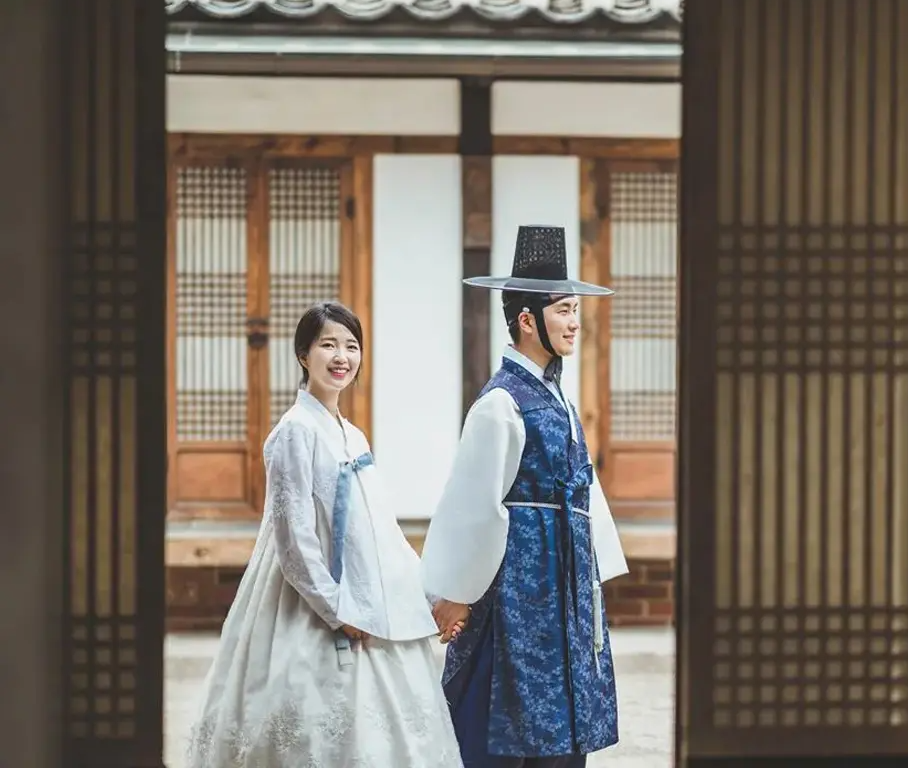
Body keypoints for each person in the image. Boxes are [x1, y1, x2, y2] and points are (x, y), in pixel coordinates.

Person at [185, 301, 463, 768]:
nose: (342, 357)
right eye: (328, 345)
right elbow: (293, 537)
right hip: (311, 598)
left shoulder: (353, 435)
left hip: (363, 588)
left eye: (351, 347)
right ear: (303, 355)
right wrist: (337, 610)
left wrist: (425, 592)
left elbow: (379, 527)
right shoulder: (295, 431)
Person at [421, 225, 630, 768]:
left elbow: (583, 487)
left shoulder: (554, 395)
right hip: (516, 585)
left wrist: (595, 573)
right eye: (563, 309)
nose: (575, 322)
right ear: (527, 319)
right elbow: (473, 503)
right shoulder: (499, 404)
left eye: (575, 309)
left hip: (560, 583)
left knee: (560, 722)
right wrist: (456, 592)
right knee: (503, 717)